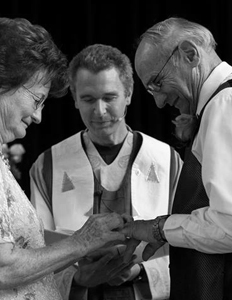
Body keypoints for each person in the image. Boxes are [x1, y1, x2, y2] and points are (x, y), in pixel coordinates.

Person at [0, 18, 128, 300]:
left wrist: (90, 243)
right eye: (36, 100)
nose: (38, 116)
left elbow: (14, 249)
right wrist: (83, 242)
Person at [122, 17, 232, 300]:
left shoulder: (228, 103)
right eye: (150, 91)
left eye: (157, 83)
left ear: (190, 54)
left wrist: (159, 228)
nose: (158, 102)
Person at [30, 44, 182, 300]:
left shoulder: (168, 161)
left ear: (129, 95)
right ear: (75, 99)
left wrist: (140, 271)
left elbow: (192, 245)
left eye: (109, 97)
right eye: (88, 99)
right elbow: (33, 253)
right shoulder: (48, 165)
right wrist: (77, 279)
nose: (99, 111)